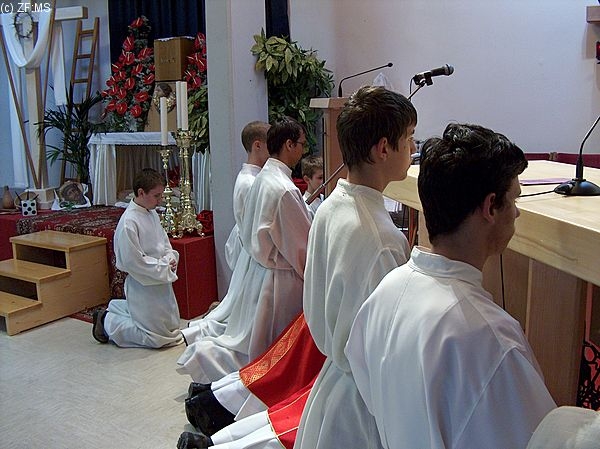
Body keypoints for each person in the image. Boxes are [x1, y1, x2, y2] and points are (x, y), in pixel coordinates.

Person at [178, 85, 417, 449]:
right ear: (383, 148)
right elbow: (376, 341)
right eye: (409, 138)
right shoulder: (382, 239)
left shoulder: (335, 202)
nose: (413, 149)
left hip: (332, 367)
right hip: (360, 386)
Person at [345, 123, 557, 449]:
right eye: (514, 199)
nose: (516, 213)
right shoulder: (489, 337)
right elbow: (537, 439)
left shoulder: (387, 290)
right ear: (490, 207)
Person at [176, 117, 312, 383]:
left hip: (261, 270)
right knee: (267, 351)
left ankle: (213, 371)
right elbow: (301, 248)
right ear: (289, 144)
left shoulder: (265, 177)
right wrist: (316, 276)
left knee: (254, 342)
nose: (303, 150)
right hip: (280, 278)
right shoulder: (284, 189)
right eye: (302, 144)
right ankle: (210, 367)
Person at [181, 121, 270, 346]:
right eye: (272, 143)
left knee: (241, 309)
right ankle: (197, 333)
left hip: (250, 245)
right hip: (250, 248)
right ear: (257, 145)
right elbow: (254, 224)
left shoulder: (255, 177)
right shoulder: (250, 181)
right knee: (240, 313)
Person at [92, 168, 183, 348]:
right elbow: (133, 261)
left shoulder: (151, 213)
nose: (160, 200)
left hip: (161, 279)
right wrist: (163, 266)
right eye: (156, 196)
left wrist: (170, 257)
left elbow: (164, 243)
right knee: (156, 339)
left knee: (171, 329)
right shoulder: (129, 222)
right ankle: (106, 321)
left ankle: (121, 309)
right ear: (141, 193)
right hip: (143, 283)